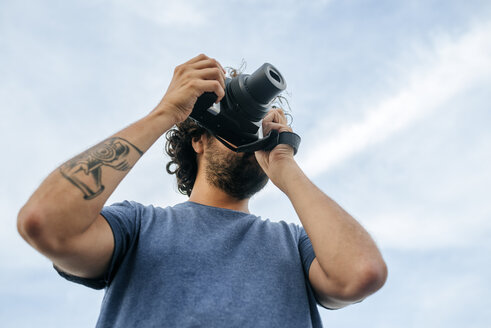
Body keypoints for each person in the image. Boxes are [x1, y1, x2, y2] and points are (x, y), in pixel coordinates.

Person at [17, 54, 387, 327]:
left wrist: (285, 165)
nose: (251, 136)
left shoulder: (296, 247)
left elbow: (362, 273)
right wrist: (165, 112)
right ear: (198, 138)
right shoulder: (137, 227)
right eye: (239, 121)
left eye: (257, 126)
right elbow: (45, 222)